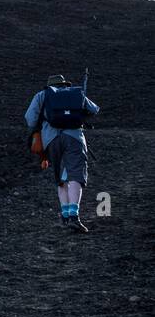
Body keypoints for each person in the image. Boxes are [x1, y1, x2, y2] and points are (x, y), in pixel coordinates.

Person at [25, 74, 100, 232]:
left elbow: (30, 118)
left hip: (51, 140)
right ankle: (74, 216)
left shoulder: (42, 95)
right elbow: (94, 109)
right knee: (75, 175)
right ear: (65, 84)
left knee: (61, 178)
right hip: (74, 138)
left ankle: (65, 217)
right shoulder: (75, 93)